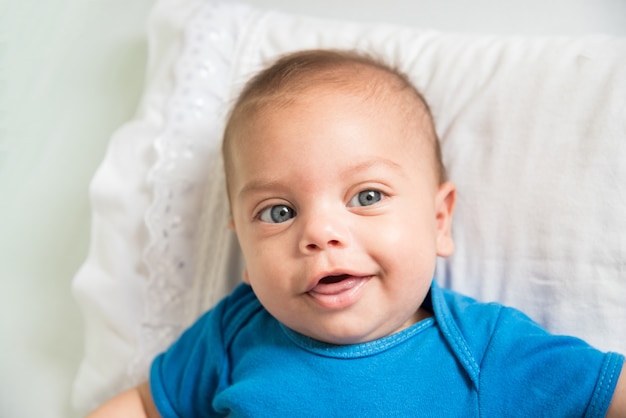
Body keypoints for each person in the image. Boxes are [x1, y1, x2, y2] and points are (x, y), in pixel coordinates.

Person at [89, 49, 626, 417]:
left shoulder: (483, 349)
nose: (320, 233)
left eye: (366, 197)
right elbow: (143, 404)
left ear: (439, 221)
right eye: (277, 213)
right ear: (244, 250)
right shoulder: (235, 331)